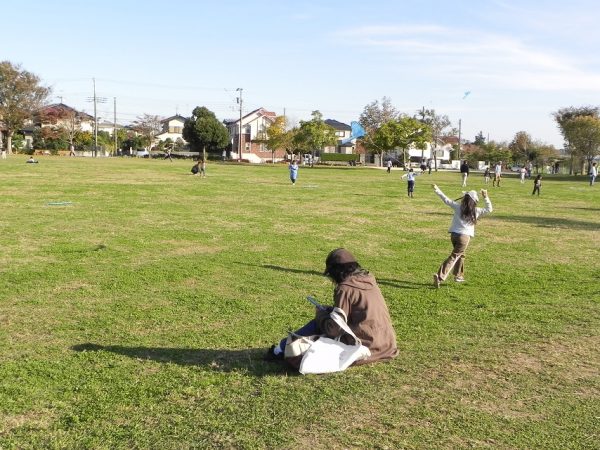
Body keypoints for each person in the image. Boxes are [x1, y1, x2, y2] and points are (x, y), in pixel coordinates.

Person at [265, 248, 398, 366]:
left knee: (319, 323)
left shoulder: (345, 288)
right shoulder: (369, 279)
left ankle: (281, 349)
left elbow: (334, 329)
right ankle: (282, 347)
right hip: (386, 344)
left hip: (367, 347)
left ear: (336, 272)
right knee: (326, 317)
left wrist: (320, 314)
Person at [431, 185, 493, 287]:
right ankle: (440, 276)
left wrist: (437, 189)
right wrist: (485, 196)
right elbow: (489, 209)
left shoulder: (458, 206)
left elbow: (446, 200)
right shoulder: (476, 211)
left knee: (461, 254)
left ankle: (459, 276)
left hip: (454, 235)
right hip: (464, 238)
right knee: (455, 256)